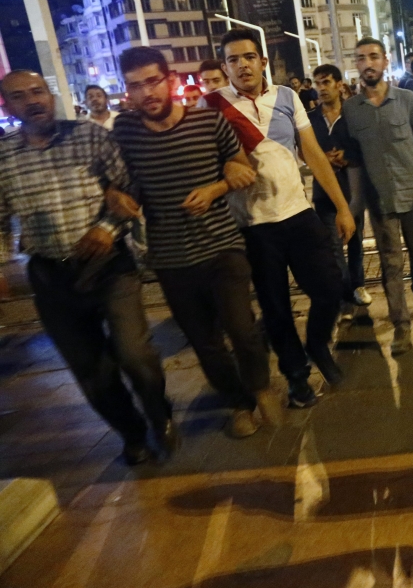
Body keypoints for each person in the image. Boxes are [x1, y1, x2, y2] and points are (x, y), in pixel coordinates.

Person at [0, 70, 174, 465]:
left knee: (135, 354)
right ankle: (132, 434)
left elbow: (128, 187)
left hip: (110, 265)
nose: (32, 101)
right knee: (90, 368)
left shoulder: (91, 136)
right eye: (19, 96)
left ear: (50, 94)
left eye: (37, 91)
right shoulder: (3, 156)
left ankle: (158, 411)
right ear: (8, 105)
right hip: (51, 274)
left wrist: (107, 228)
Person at [107, 47, 282, 439]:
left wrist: (215, 187)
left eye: (153, 81)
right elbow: (119, 180)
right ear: (128, 91)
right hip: (170, 258)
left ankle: (260, 386)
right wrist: (115, 196)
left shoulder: (209, 122)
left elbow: (245, 169)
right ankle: (238, 403)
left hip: (222, 245)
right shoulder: (125, 131)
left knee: (242, 329)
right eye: (136, 86)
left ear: (169, 81)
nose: (146, 92)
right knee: (206, 344)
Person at [200, 28, 356, 408]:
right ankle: (297, 378)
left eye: (249, 57)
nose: (242, 65)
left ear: (263, 61)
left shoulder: (287, 96)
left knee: (331, 287)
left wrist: (342, 207)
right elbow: (204, 163)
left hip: (298, 214)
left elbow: (313, 153)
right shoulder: (211, 105)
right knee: (276, 309)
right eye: (233, 60)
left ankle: (318, 344)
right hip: (252, 225)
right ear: (225, 66)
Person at [342, 37, 413, 355]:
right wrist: (352, 205)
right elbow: (353, 159)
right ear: (357, 65)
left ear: (386, 61)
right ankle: (401, 326)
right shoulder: (351, 109)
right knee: (390, 264)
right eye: (361, 58)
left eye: (374, 56)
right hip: (379, 200)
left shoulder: (407, 100)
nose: (368, 63)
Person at [309, 63, 372, 319]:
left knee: (355, 242)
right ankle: (345, 294)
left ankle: (358, 285)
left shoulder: (353, 116)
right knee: (333, 247)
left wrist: (347, 157)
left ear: (339, 84)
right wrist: (320, 158)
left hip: (352, 190)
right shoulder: (310, 118)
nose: (321, 89)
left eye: (326, 82)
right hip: (324, 193)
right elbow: (303, 148)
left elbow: (366, 146)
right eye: (317, 84)